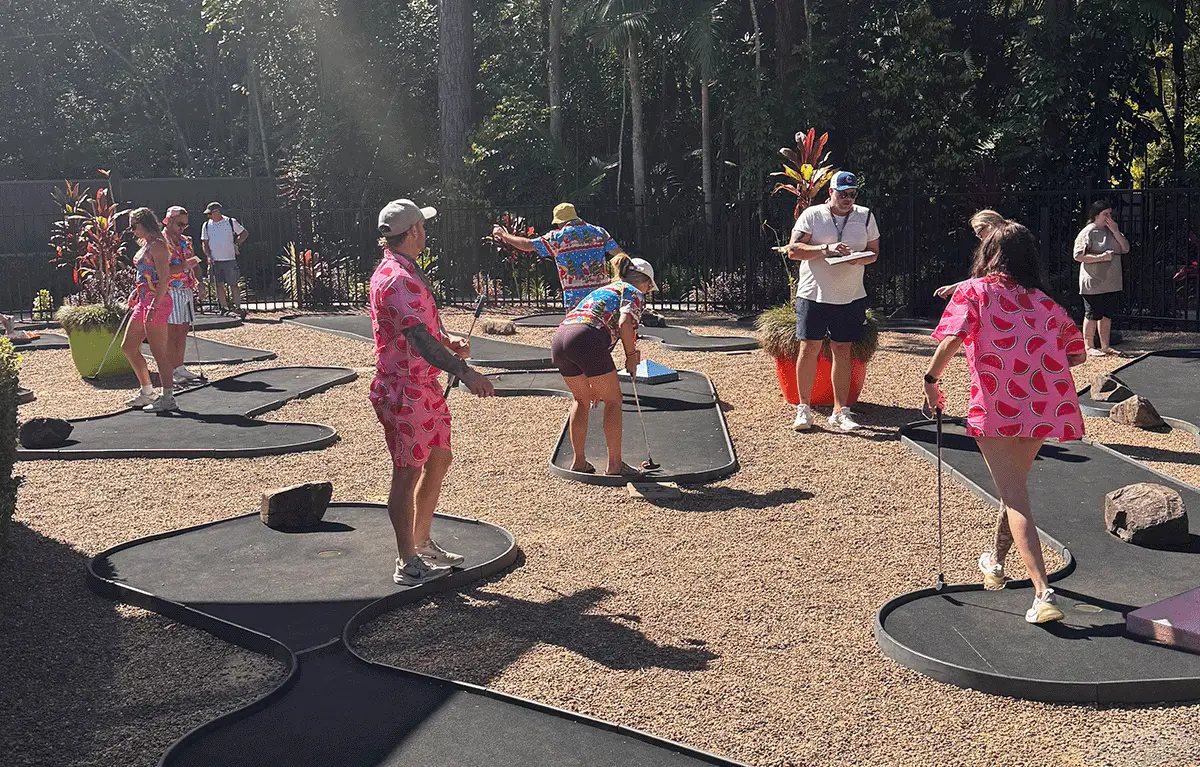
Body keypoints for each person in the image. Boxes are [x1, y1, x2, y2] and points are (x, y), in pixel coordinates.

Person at [923, 222, 1088, 624]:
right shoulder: (1044, 302)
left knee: (1014, 495)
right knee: (1013, 486)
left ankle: (1042, 592)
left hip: (996, 407)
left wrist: (931, 382)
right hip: (1042, 405)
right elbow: (1077, 355)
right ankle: (995, 562)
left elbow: (951, 340)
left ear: (988, 253)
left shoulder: (974, 292)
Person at [371, 198, 496, 586]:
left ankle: (422, 541)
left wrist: (448, 341)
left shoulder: (407, 271)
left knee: (439, 458)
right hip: (405, 389)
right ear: (412, 232)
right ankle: (406, 560)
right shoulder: (398, 278)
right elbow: (416, 337)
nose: (426, 232)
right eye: (422, 227)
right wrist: (464, 370)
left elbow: (425, 331)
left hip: (423, 387)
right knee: (406, 474)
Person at [785, 171, 880, 432]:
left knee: (842, 350)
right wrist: (824, 250)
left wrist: (859, 258)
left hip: (850, 295)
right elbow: (792, 251)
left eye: (852, 194)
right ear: (831, 192)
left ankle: (841, 411)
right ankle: (803, 409)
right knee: (809, 348)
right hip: (813, 294)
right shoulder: (813, 215)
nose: (848, 199)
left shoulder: (865, 216)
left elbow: (874, 252)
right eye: (842, 194)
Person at [550, 254, 657, 477]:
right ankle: (615, 464)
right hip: (586, 338)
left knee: (581, 399)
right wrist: (630, 355)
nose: (648, 291)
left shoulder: (606, 289)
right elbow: (625, 323)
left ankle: (579, 461)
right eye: (649, 287)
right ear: (646, 283)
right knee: (614, 400)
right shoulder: (633, 292)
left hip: (560, 337)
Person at [491, 202, 629, 311]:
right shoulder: (599, 232)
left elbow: (527, 245)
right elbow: (619, 254)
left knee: (578, 334)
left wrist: (504, 235)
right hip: (600, 294)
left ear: (560, 221)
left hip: (575, 298)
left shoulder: (557, 237)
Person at [121, 208, 178, 411]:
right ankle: (147, 391)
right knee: (128, 346)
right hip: (144, 301)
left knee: (158, 351)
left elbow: (164, 277)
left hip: (157, 302)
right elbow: (145, 273)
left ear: (143, 223)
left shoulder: (158, 246)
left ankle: (168, 397)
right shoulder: (146, 244)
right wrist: (136, 292)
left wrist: (155, 303)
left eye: (134, 225)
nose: (132, 230)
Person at [1074, 200, 1130, 356]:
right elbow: (1078, 255)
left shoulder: (1113, 231)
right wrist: (1102, 257)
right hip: (1094, 282)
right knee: (1092, 314)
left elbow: (1125, 248)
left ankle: (1105, 345)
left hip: (1111, 282)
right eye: (1105, 214)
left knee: (1106, 315)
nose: (1109, 217)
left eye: (1110, 214)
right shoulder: (1088, 232)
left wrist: (1116, 231)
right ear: (1096, 215)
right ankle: (1089, 346)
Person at [162, 207, 204, 386]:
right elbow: (162, 271)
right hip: (170, 289)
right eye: (179, 224)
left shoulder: (186, 241)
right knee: (171, 332)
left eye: (185, 225)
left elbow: (195, 264)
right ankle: (170, 369)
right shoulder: (160, 242)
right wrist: (185, 266)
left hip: (186, 289)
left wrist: (201, 283)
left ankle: (179, 367)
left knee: (183, 330)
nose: (182, 228)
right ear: (168, 220)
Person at [934, 209, 1008, 299]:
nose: (981, 240)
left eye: (980, 235)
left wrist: (962, 287)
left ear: (990, 226)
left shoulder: (1007, 244)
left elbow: (996, 278)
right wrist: (956, 287)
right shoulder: (992, 248)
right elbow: (984, 278)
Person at [201, 201, 249, 318]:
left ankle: (237, 308)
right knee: (218, 284)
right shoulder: (206, 225)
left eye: (210, 213)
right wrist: (208, 256)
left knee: (233, 284)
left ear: (217, 212)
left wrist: (236, 243)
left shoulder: (230, 222)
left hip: (229, 258)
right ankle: (224, 308)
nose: (209, 216)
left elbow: (244, 233)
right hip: (215, 260)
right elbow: (205, 242)